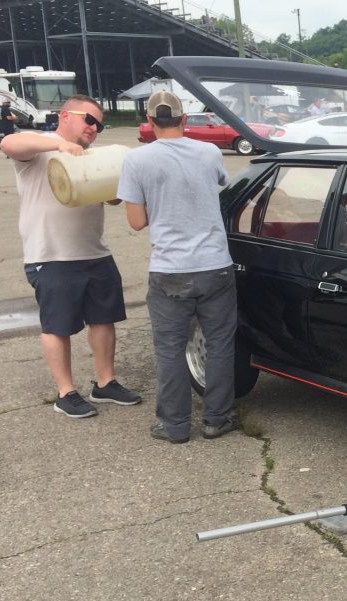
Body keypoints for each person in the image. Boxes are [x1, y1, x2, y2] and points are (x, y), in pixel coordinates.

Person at [0, 95, 142, 418]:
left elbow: (113, 199)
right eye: (88, 119)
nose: (95, 127)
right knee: (57, 325)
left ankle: (105, 382)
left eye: (99, 124)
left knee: (104, 319)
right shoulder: (41, 146)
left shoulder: (92, 155)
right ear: (65, 116)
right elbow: (9, 143)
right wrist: (57, 146)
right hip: (51, 255)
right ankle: (66, 392)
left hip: (95, 251)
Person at [117, 91, 237, 444]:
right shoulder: (210, 152)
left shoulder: (136, 161)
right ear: (185, 119)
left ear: (150, 122)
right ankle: (216, 419)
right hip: (216, 265)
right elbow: (223, 186)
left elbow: (137, 222)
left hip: (170, 269)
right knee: (219, 344)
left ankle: (174, 426)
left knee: (169, 348)